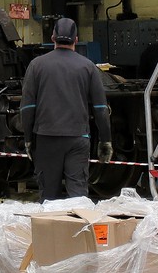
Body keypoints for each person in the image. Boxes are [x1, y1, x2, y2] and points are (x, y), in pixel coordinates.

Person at [19, 17, 113, 201]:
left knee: (49, 197)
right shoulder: (88, 66)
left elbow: (27, 107)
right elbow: (101, 108)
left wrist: (28, 139)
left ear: (53, 38)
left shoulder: (36, 65)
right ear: (76, 39)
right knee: (78, 196)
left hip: (46, 138)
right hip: (78, 138)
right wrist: (105, 140)